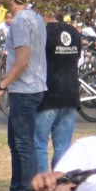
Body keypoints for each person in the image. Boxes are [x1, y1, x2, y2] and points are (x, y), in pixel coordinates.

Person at [0, 0, 47, 191]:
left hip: (25, 88)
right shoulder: (36, 17)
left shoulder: (22, 21)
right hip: (32, 86)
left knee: (24, 144)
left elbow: (22, 60)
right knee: (16, 143)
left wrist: (1, 85)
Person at [35, 11, 81, 171]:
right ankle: (59, 182)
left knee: (39, 143)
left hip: (49, 95)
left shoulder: (44, 32)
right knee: (63, 146)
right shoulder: (74, 32)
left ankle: (43, 185)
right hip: (71, 94)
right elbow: (77, 58)